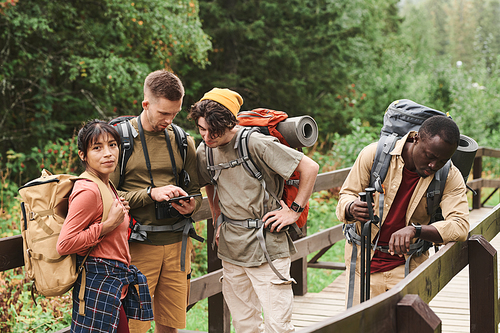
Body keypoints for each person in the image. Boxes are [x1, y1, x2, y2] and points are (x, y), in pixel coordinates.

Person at [189, 88, 319, 333]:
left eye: (213, 131)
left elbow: (310, 168)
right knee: (243, 324)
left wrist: (294, 211)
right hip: (231, 247)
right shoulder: (205, 150)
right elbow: (208, 182)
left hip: (267, 244)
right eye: (201, 129)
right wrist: (217, 219)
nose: (207, 137)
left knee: (278, 325)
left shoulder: (255, 142)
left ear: (229, 123)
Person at [336, 115, 470, 307]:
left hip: (410, 266)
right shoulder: (374, 155)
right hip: (363, 263)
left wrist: (416, 230)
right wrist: (351, 208)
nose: (433, 165)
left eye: (442, 160)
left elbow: (460, 226)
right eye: (429, 156)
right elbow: (346, 196)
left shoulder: (449, 175)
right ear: (416, 138)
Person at [109, 70, 202, 333]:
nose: (169, 120)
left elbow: (195, 192)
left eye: (175, 113)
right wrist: (151, 193)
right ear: (145, 104)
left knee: (171, 326)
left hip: (177, 247)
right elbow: (108, 196)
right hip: (136, 248)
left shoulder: (184, 141)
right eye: (163, 113)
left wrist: (191, 205)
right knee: (133, 327)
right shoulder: (119, 140)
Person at [57, 120, 154, 333]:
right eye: (97, 148)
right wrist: (108, 225)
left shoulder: (106, 184)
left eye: (112, 145)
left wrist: (117, 213)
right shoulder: (88, 191)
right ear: (83, 155)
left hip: (113, 284)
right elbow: (64, 244)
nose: (108, 153)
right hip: (98, 284)